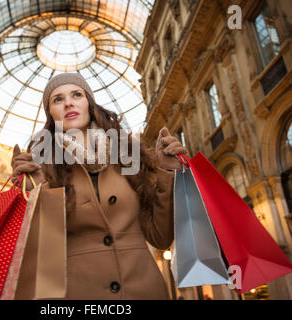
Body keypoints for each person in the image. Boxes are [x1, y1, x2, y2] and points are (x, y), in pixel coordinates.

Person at [10, 72, 189, 299]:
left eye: (77, 94)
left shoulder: (127, 154)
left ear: (89, 103)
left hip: (144, 291)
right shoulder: (43, 166)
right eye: (58, 99)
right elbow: (43, 257)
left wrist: (167, 171)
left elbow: (160, 237)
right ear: (50, 113)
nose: (68, 102)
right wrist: (33, 191)